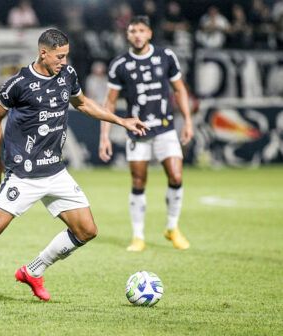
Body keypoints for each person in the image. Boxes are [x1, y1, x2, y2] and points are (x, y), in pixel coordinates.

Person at [0, 28, 148, 310]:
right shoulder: (18, 83)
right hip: (24, 174)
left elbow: (83, 103)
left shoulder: (68, 75)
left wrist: (121, 120)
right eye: (59, 56)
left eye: (66, 56)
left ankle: (34, 270)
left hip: (55, 171)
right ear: (43, 53)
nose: (64, 61)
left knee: (87, 230)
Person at [98, 16, 193, 252]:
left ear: (149, 33)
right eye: (133, 31)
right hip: (137, 131)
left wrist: (188, 121)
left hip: (165, 128)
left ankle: (172, 227)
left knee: (176, 176)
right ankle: (138, 236)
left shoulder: (165, 56)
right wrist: (104, 136)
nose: (137, 35)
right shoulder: (119, 64)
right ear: (127, 35)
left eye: (141, 30)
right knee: (139, 181)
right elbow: (109, 102)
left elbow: (179, 89)